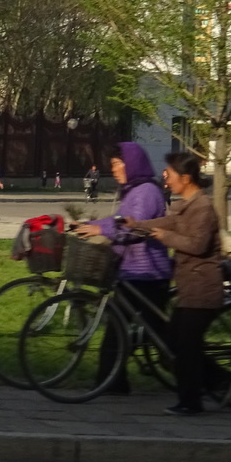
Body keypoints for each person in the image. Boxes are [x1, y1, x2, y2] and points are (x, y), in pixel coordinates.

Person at [121, 151, 225, 415]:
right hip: (189, 290)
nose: (166, 180)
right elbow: (169, 221)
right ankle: (219, 380)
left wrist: (165, 236)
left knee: (185, 347)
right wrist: (139, 224)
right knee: (175, 342)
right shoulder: (188, 204)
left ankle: (191, 402)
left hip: (202, 290)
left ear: (186, 178)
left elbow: (197, 245)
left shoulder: (202, 208)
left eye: (169, 175)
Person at [74, 141, 171, 394]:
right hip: (133, 271)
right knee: (120, 330)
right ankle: (113, 384)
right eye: (113, 165)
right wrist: (90, 224)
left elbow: (134, 228)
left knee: (161, 339)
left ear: (133, 164)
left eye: (118, 164)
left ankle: (211, 377)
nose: (115, 170)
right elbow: (119, 221)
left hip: (148, 273)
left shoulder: (147, 192)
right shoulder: (134, 190)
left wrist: (100, 229)